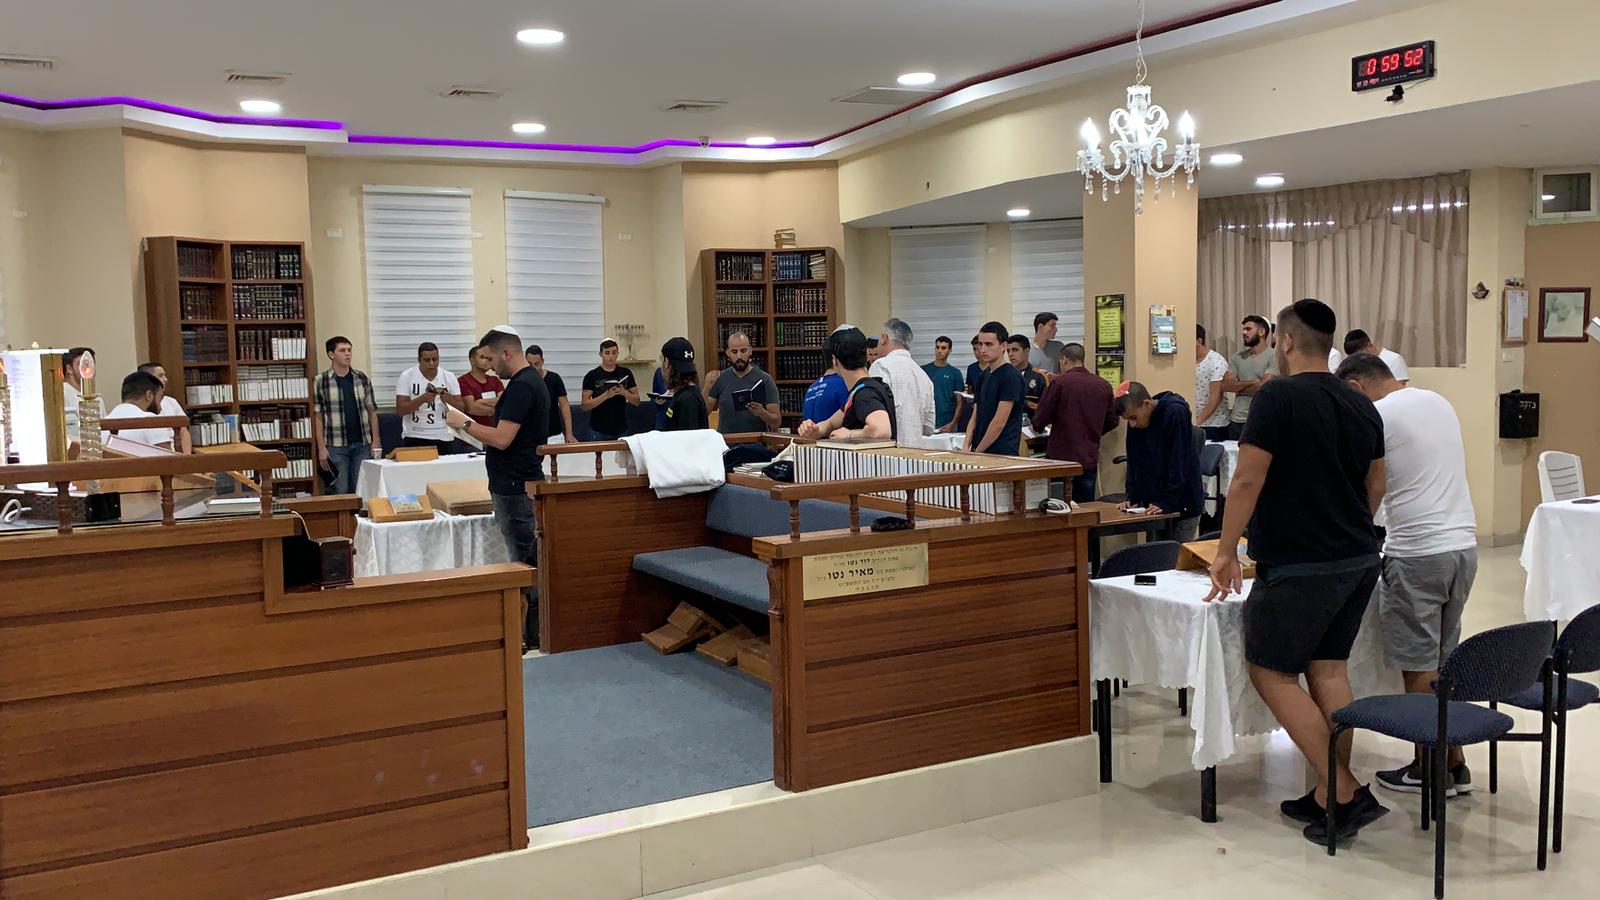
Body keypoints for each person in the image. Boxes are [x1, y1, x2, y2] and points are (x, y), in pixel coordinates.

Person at [1203, 298, 1388, 846]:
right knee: (1328, 670)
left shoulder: (1277, 396)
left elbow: (1246, 479)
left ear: (1284, 341)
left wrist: (1225, 551)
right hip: (1358, 557)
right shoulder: (1360, 401)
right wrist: (1346, 526)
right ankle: (1327, 794)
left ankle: (1344, 790)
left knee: (1272, 672)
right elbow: (1377, 482)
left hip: (1299, 562)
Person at [1337, 352, 1478, 796]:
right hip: (1462, 546)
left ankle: (1428, 769)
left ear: (1356, 388)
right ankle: (1453, 762)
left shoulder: (1377, 416)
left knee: (1418, 664)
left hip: (1417, 552)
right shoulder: (1437, 401)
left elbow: (1369, 483)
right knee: (1444, 659)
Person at [444, 326, 550, 651]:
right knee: (528, 559)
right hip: (518, 481)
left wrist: (463, 423)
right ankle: (534, 632)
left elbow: (502, 439)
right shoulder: (529, 382)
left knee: (524, 564)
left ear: (506, 353)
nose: (489, 367)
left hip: (515, 486)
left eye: (491, 359)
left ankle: (532, 635)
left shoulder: (522, 386)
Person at [1114, 382, 1203, 541]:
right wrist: (1132, 497)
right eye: (1127, 420)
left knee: (1177, 554)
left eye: (1133, 418)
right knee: (1156, 553)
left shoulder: (1175, 412)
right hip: (1154, 503)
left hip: (1183, 502)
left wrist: (1168, 501)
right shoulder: (1136, 421)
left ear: (1147, 404)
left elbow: (1179, 462)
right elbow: (1134, 461)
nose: (1132, 424)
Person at [1031, 343, 1117, 502]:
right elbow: (1112, 420)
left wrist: (1038, 426)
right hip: (1088, 455)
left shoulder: (1060, 383)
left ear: (1064, 360)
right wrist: (1094, 431)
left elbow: (1041, 418)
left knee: (1059, 504)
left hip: (1060, 456)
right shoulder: (1103, 385)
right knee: (1085, 506)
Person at [798, 327, 896, 443]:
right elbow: (831, 423)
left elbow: (881, 431)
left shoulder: (865, 394)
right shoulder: (864, 390)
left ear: (834, 361)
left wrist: (849, 434)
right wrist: (815, 430)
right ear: (866, 354)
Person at [312, 336, 382, 495]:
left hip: (362, 443)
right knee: (340, 489)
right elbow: (318, 417)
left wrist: (376, 440)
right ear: (331, 354)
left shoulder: (362, 378)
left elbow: (372, 411)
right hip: (336, 445)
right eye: (342, 350)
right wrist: (321, 448)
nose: (347, 354)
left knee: (361, 488)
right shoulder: (321, 381)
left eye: (349, 350)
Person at [870, 318, 935, 445]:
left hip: (888, 450)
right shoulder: (924, 376)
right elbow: (929, 427)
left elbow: (874, 417)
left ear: (884, 338)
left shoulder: (880, 366)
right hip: (915, 451)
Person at [965, 321, 1025, 456]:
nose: (982, 350)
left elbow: (999, 422)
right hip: (979, 450)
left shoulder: (1011, 376)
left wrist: (978, 452)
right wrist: (966, 446)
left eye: (989, 344)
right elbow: (975, 416)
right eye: (980, 344)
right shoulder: (983, 376)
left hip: (1002, 452)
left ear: (1003, 346)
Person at [395, 342, 463, 454]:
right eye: (427, 360)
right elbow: (401, 410)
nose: (432, 363)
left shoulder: (449, 376)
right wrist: (422, 399)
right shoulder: (407, 376)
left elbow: (461, 409)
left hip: (444, 435)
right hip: (415, 435)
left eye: (435, 359)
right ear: (419, 360)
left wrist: (448, 400)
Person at [707, 332, 779, 433]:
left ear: (750, 351)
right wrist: (706, 387)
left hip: (756, 440)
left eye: (743, 351)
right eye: (734, 352)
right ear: (728, 353)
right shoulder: (720, 378)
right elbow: (703, 412)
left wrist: (762, 413)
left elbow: (776, 421)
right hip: (727, 440)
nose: (739, 356)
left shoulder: (765, 379)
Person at [1220, 314, 1275, 440]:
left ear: (1261, 332)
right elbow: (1226, 386)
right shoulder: (1236, 357)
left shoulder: (1274, 356)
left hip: (1262, 419)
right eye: (1243, 329)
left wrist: (1238, 387)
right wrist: (1255, 382)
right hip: (1237, 420)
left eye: (1248, 329)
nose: (1244, 333)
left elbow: (1265, 387)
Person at [579, 340, 639, 441]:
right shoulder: (592, 376)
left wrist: (624, 393)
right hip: (598, 430)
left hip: (621, 429)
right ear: (600, 354)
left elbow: (637, 401)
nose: (611, 356)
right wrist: (606, 395)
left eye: (614, 353)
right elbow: (585, 405)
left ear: (618, 353)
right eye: (607, 353)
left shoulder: (626, 373)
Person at [103, 371, 174, 448]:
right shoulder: (151, 420)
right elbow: (167, 455)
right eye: (160, 398)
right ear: (149, 395)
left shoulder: (102, 424)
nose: (160, 408)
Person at [137, 361, 193, 453]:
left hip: (171, 453)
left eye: (164, 375)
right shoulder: (140, 404)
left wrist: (187, 457)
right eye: (161, 376)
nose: (166, 379)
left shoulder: (171, 402)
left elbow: (184, 430)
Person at [525, 346, 575, 444]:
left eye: (536, 364)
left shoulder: (554, 379)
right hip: (530, 437)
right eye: (529, 364)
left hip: (554, 436)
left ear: (542, 361)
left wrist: (569, 433)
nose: (533, 368)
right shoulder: (522, 381)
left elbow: (564, 406)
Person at [659, 337, 709, 431]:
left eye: (661, 360)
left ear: (666, 363)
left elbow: (688, 437)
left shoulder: (687, 399)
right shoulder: (686, 395)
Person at [1193, 325, 1231, 441]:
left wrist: (1197, 422)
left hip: (1214, 425)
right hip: (1193, 421)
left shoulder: (1216, 361)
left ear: (1199, 341)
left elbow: (1216, 397)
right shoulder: (1186, 360)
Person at [922, 335, 966, 433]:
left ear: (950, 350)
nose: (939, 351)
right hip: (926, 422)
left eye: (943, 348)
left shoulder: (955, 373)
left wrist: (953, 423)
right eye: (937, 347)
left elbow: (959, 403)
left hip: (947, 423)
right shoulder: (923, 370)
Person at [458, 345, 505, 428]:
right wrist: (496, 410)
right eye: (482, 357)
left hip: (495, 430)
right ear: (472, 360)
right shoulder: (463, 381)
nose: (486, 361)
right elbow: (471, 408)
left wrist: (480, 402)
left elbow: (504, 402)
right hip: (474, 430)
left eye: (489, 358)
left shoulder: (495, 380)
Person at [1342, 329, 1410, 385]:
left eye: (1360, 355)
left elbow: (1399, 389)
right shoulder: (1357, 363)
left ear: (1369, 345)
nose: (1357, 359)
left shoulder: (1394, 359)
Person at [1005, 334, 1050, 415]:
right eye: (1008, 351)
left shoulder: (1039, 377)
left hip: (1031, 421)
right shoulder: (1004, 376)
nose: (1010, 354)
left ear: (1026, 351)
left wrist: (1026, 403)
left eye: (1015, 350)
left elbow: (1046, 408)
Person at [800, 363, 848, 434]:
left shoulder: (812, 387)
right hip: (833, 438)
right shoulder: (843, 383)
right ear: (834, 360)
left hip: (810, 438)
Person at [955, 334, 985, 434]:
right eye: (974, 349)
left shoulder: (993, 367)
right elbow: (970, 391)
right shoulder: (972, 368)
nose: (977, 352)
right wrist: (971, 400)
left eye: (979, 349)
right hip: (975, 409)